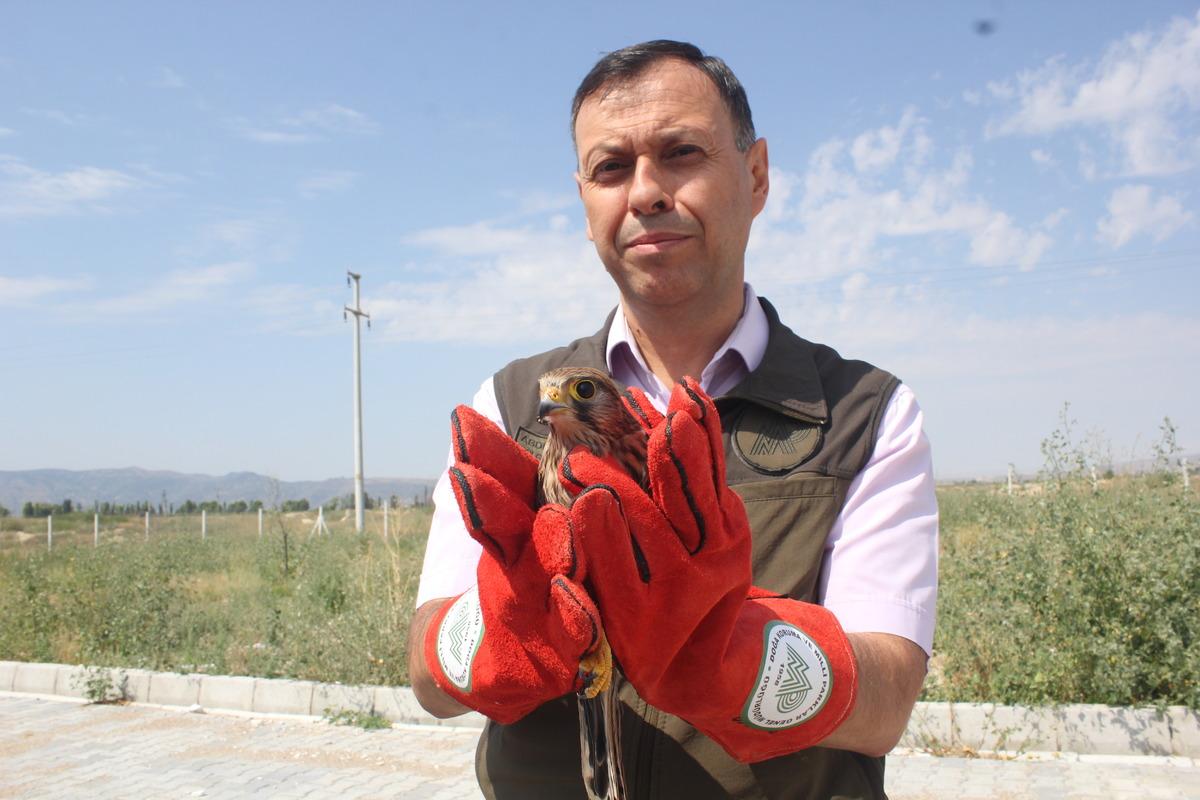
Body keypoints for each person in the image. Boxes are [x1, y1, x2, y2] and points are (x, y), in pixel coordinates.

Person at [408, 40, 938, 800]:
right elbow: (429, 678)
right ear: (584, 201)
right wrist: (498, 634)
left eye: (681, 152)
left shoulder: (867, 412)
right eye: (611, 168)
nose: (646, 192)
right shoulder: (509, 405)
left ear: (755, 176)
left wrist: (733, 653)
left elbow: (885, 701)